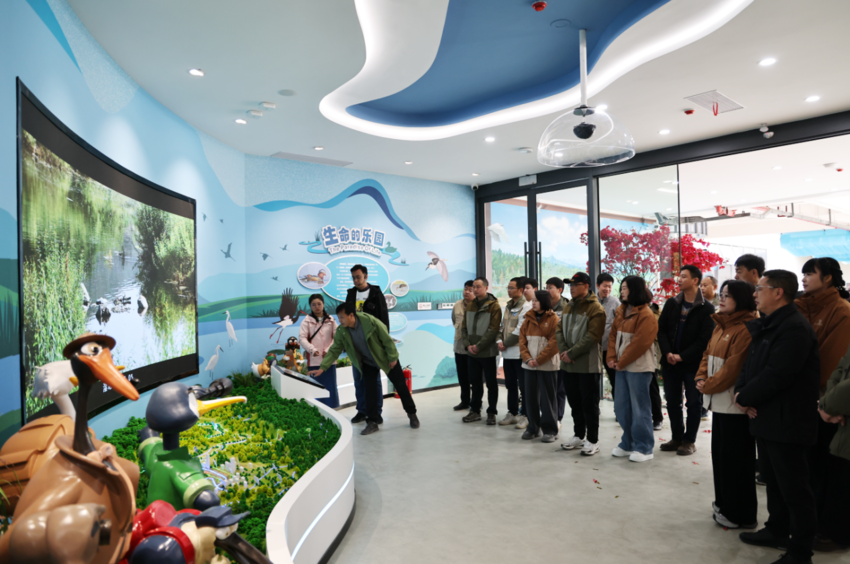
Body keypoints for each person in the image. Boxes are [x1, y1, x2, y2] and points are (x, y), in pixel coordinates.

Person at [735, 270, 820, 564]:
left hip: (788, 420)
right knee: (773, 480)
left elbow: (778, 374)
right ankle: (777, 529)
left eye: (760, 288)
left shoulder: (795, 328)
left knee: (794, 488)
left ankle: (801, 551)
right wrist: (741, 392)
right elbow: (750, 365)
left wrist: (744, 397)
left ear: (778, 292)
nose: (755, 293)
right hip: (767, 417)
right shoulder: (769, 324)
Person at [795, 257, 850, 551]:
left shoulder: (841, 310)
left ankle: (831, 529)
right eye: (802, 273)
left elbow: (832, 362)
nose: (804, 278)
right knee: (812, 466)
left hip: (824, 402)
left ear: (828, 278)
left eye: (810, 273)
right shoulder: (801, 306)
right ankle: (815, 522)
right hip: (807, 398)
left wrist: (828, 403)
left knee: (830, 467)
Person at [695, 280, 758, 530]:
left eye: (727, 296)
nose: (721, 299)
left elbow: (733, 368)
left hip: (734, 405)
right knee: (722, 458)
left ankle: (740, 514)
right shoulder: (721, 324)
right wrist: (701, 378)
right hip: (718, 402)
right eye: (720, 294)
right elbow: (706, 354)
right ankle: (724, 503)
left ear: (741, 299)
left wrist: (708, 385)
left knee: (736, 462)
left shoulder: (747, 327)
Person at [311, 303, 419, 436]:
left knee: (401, 386)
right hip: (367, 362)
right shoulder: (342, 331)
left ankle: (412, 414)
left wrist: (392, 358)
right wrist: (323, 368)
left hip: (385, 358)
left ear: (351, 315)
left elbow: (387, 340)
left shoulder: (371, 322)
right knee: (369, 391)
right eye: (338, 317)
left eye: (342, 317)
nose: (340, 320)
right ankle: (372, 422)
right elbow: (334, 350)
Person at [657, 265, 716, 456]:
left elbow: (704, 340)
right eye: (679, 276)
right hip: (670, 363)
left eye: (683, 276)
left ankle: (689, 441)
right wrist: (668, 353)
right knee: (672, 402)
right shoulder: (672, 303)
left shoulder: (706, 308)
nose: (679, 280)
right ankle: (676, 438)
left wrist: (682, 356)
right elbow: (661, 330)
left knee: (693, 403)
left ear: (695, 280)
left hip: (693, 364)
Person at [608, 276, 659, 463]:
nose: (621, 291)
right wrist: (611, 357)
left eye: (625, 288)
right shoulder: (621, 310)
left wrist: (621, 362)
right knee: (622, 406)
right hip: (621, 365)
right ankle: (628, 442)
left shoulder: (646, 314)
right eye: (621, 288)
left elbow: (640, 343)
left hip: (639, 367)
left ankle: (644, 447)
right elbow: (613, 336)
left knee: (639, 408)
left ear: (635, 290)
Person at [557, 272, 606, 456]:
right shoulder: (569, 306)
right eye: (570, 285)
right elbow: (558, 330)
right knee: (575, 403)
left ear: (586, 286)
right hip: (568, 364)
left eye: (575, 285)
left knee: (589, 405)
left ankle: (593, 440)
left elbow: (593, 336)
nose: (571, 288)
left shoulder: (596, 308)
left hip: (587, 365)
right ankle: (579, 435)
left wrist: (571, 353)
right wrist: (565, 352)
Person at [345, 264, 389, 423]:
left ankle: (376, 412)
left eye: (358, 277)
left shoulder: (376, 294)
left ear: (366, 276)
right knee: (358, 380)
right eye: (353, 278)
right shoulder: (351, 294)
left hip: (372, 345)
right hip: (355, 344)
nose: (356, 280)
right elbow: (346, 317)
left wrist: (384, 344)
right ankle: (362, 411)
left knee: (374, 381)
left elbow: (384, 320)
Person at [818, 342, 850, 549]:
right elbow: (839, 370)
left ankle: (838, 536)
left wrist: (827, 406)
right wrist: (828, 404)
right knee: (837, 474)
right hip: (840, 413)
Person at [519, 291, 561, 442]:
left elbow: (555, 343)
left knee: (548, 399)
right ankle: (533, 428)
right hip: (529, 365)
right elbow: (522, 341)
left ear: (544, 301)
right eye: (533, 300)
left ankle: (550, 431)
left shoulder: (554, 319)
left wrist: (539, 359)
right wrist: (528, 359)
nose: (533, 303)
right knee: (530, 398)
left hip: (547, 365)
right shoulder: (528, 319)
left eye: (536, 300)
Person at [460, 277, 502, 425]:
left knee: (491, 384)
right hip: (471, 352)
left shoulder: (494, 306)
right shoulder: (470, 305)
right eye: (474, 287)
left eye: (478, 287)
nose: (475, 289)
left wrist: (478, 346)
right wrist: (467, 345)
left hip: (487, 352)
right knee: (475, 382)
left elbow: (493, 330)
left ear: (486, 288)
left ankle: (491, 412)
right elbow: (463, 327)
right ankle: (475, 410)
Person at [497, 277, 532, 426]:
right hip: (507, 353)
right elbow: (501, 327)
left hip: (519, 353)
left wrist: (505, 343)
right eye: (508, 288)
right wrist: (499, 341)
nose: (509, 290)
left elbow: (520, 330)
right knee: (510, 385)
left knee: (524, 387)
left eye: (512, 288)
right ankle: (512, 413)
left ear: (521, 290)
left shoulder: (527, 306)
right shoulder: (508, 306)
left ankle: (526, 415)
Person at [299, 294, 340, 408]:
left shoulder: (331, 320)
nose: (317, 307)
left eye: (319, 304)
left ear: (323, 304)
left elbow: (337, 337)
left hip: (329, 360)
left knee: (330, 386)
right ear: (310, 306)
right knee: (315, 387)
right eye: (313, 304)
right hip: (314, 361)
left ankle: (332, 409)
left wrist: (329, 350)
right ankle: (317, 410)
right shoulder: (306, 321)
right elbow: (302, 338)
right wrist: (312, 350)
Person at [545, 277, 569, 427]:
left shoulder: (567, 307)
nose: (547, 290)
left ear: (560, 290)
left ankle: (558, 418)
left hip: (560, 352)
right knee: (547, 388)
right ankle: (547, 415)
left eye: (550, 287)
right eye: (546, 287)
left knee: (560, 388)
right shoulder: (544, 305)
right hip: (545, 352)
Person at [452, 280, 475, 411]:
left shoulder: (478, 305)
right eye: (465, 289)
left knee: (474, 378)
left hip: (473, 348)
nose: (467, 292)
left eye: (470, 290)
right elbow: (454, 320)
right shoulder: (457, 304)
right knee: (462, 376)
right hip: (459, 346)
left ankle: (476, 402)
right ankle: (465, 401)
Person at [597, 273, 619, 402]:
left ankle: (618, 408)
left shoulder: (615, 302)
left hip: (609, 349)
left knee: (615, 380)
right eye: (605, 286)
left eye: (610, 286)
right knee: (592, 381)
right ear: (598, 285)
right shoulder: (591, 301)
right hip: (593, 349)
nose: (607, 289)